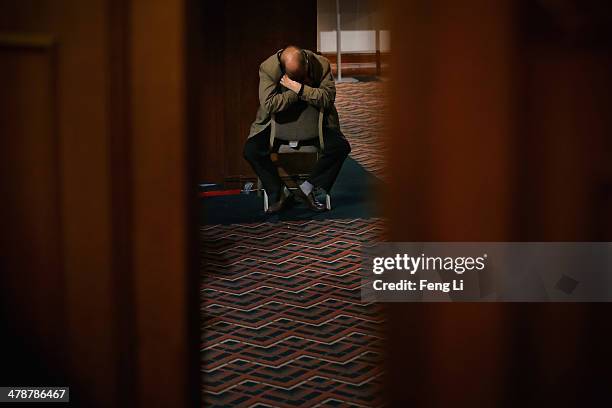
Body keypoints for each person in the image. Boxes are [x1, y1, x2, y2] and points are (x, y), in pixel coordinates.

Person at [243, 45, 351, 214]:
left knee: (340, 147)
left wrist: (298, 88)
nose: (300, 79)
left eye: (302, 75)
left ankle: (307, 188)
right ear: (283, 68)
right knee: (251, 150)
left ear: (307, 63)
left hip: (316, 124)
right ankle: (280, 193)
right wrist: (297, 90)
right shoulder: (268, 68)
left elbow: (328, 98)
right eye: (294, 78)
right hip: (275, 125)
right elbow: (269, 104)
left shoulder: (321, 64)